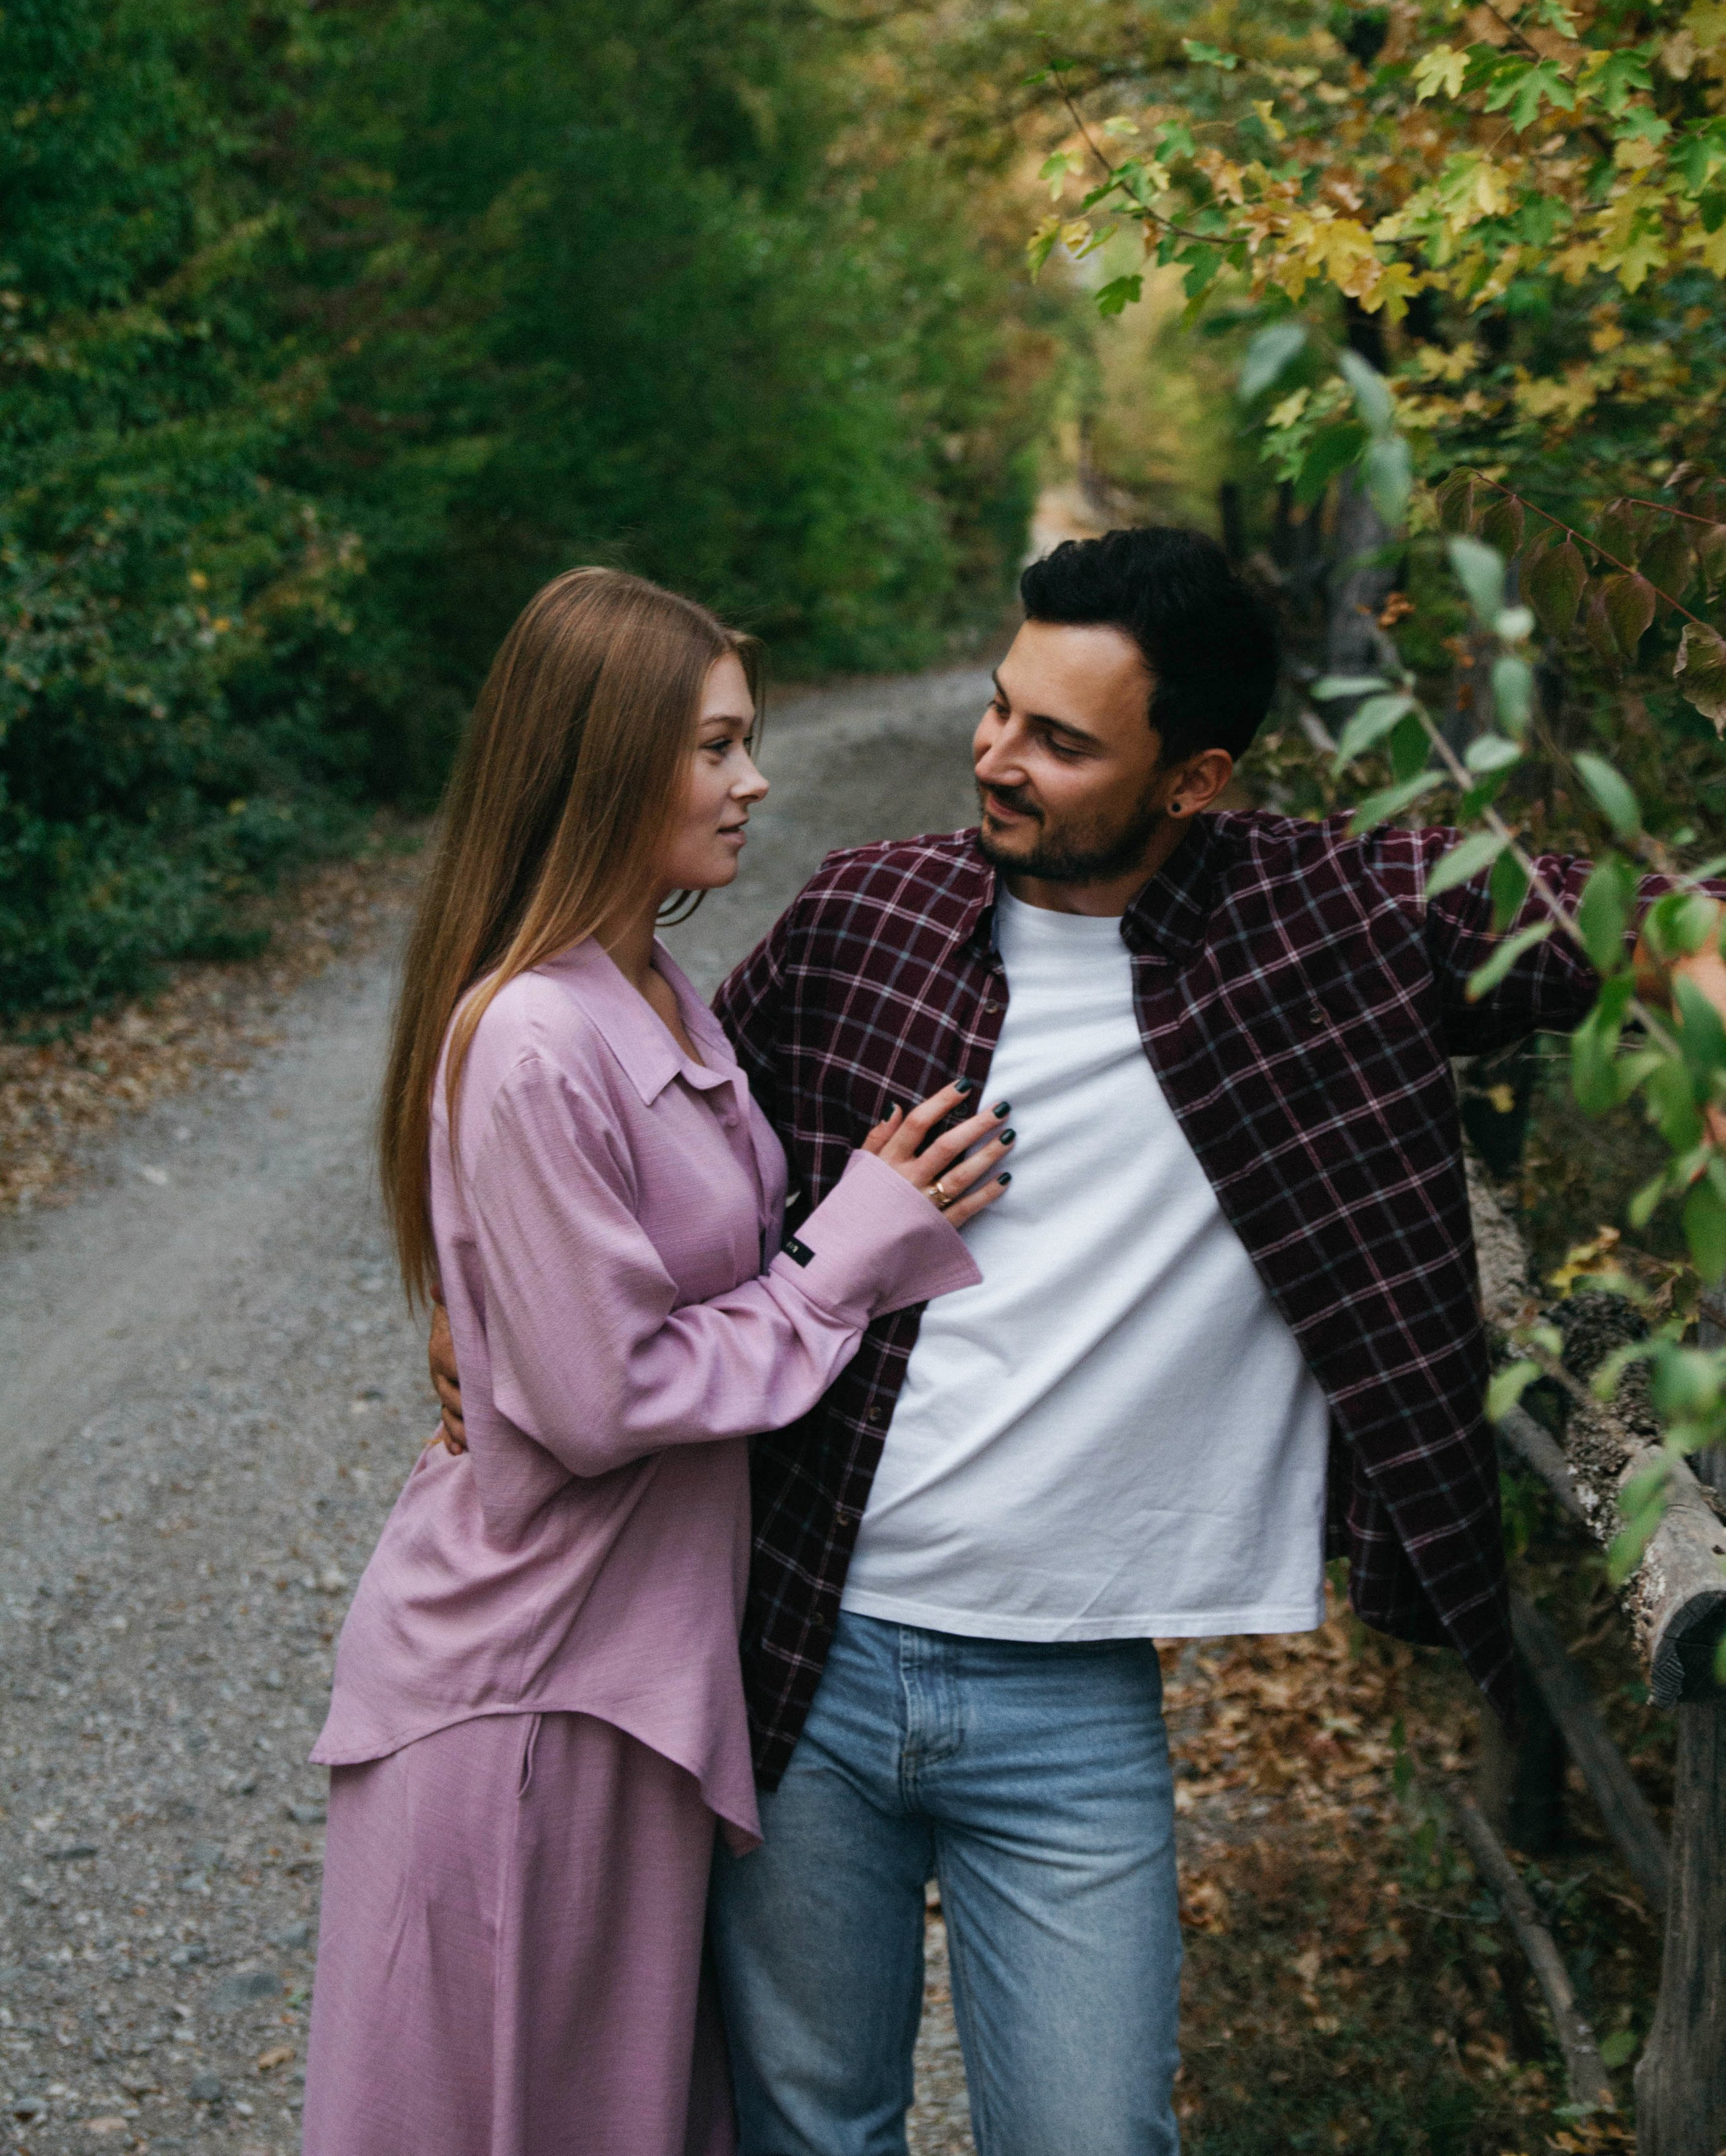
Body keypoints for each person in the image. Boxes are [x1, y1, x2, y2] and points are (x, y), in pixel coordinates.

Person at [431, 528, 1726, 2156]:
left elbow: (1626, 916)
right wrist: (483, 1305)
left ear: (1190, 781)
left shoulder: (1317, 922)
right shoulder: (863, 919)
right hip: (794, 1648)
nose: (995, 757)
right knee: (808, 2128)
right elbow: (654, 1161)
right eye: (995, 711)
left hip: (1070, 1698)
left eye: (1057, 739)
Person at [302, 566, 1008, 2156]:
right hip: (524, 1699)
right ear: (604, 760)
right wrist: (849, 1252)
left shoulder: (649, 987)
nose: (752, 780)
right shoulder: (534, 1036)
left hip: (622, 1684)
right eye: (713, 747)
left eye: (743, 743)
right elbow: (601, 1396)